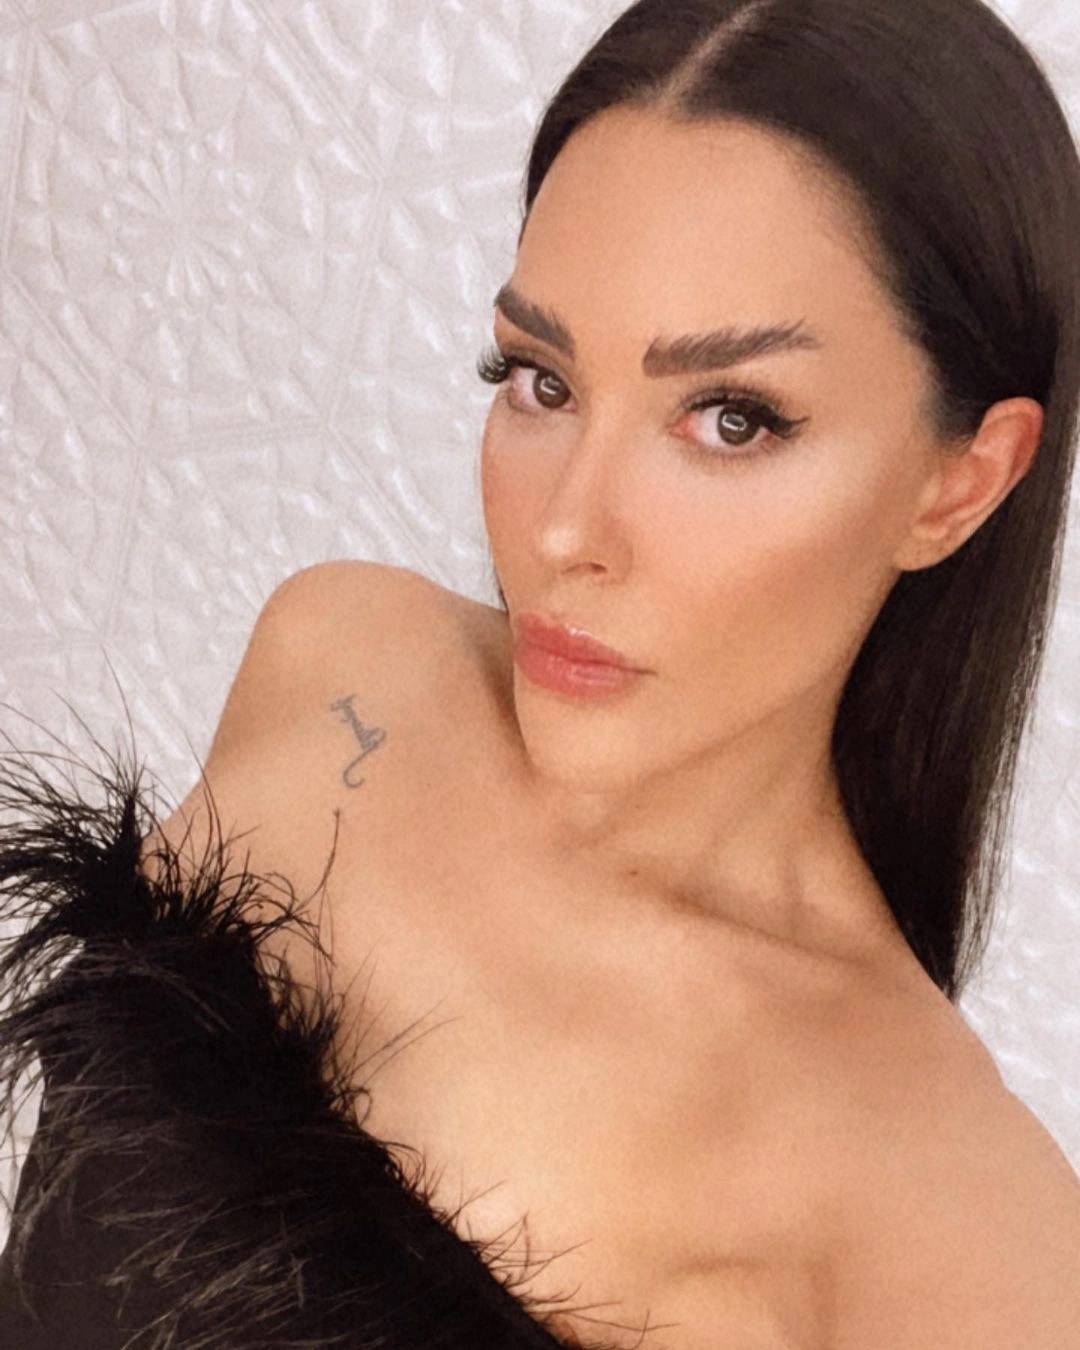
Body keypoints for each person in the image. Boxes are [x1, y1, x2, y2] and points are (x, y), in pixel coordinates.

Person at [1, 0, 1079, 1345]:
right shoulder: (342, 657)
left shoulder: (956, 1222)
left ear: (958, 482)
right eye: (540, 379)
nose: (565, 530)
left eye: (730, 420)